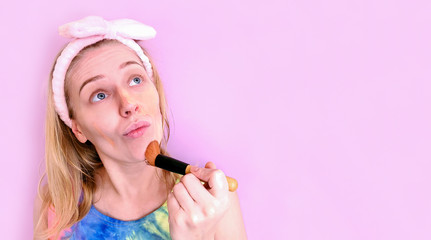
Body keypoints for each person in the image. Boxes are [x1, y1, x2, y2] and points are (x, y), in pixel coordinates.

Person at [33, 16, 247, 239]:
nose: (128, 104)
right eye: (100, 95)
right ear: (78, 129)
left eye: (135, 80)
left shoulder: (215, 200)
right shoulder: (59, 205)